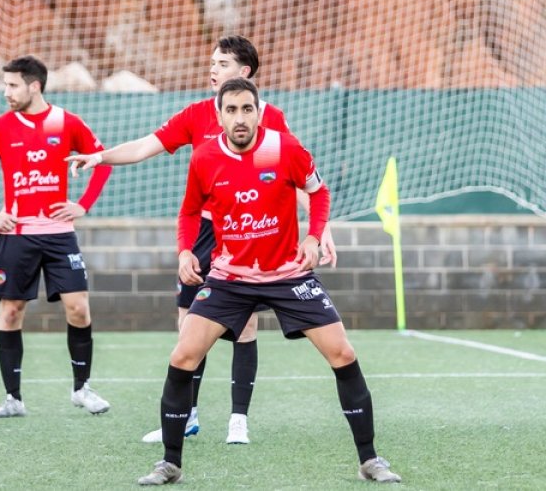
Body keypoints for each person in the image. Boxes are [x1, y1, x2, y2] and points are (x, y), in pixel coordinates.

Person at [67, 34, 337, 445]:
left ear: (244, 73)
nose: (213, 69)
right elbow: (146, 146)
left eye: (222, 63)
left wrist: (321, 231)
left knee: (245, 325)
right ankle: (187, 415)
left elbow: (298, 177)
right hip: (206, 232)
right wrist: (99, 157)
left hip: (249, 234)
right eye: (212, 62)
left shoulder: (269, 118)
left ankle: (238, 419)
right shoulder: (197, 114)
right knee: (188, 323)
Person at [136, 77, 400, 485]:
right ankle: (170, 463)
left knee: (343, 354)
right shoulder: (205, 157)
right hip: (229, 277)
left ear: (259, 111)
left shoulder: (283, 148)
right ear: (219, 115)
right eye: (231, 110)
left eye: (247, 109)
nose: (240, 118)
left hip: (287, 275)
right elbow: (190, 212)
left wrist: (313, 237)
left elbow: (319, 192)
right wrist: (186, 251)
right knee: (182, 357)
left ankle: (369, 460)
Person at [0, 55, 113, 418]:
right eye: (5, 85)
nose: (6, 92)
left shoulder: (67, 122)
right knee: (11, 312)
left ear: (35, 86)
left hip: (61, 236)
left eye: (12, 85)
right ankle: (13, 399)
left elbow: (100, 160)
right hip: (18, 236)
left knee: (78, 308)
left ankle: (82, 389)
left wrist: (83, 204)